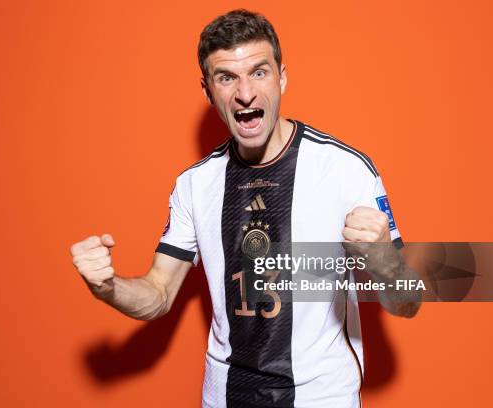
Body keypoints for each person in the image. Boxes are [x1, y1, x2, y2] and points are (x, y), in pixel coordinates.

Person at [71, 9, 422, 408]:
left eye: (259, 72)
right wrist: (108, 287)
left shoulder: (346, 169)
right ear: (207, 91)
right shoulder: (195, 184)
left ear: (282, 77)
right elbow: (158, 294)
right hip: (223, 397)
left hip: (321, 397)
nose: (245, 93)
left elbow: (408, 302)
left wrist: (384, 261)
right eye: (226, 77)